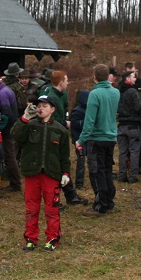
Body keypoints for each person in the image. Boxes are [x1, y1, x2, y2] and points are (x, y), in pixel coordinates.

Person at [11, 95, 71, 251]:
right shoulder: (29, 125)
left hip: (51, 174)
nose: (41, 108)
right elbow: (15, 135)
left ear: (52, 109)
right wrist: (24, 117)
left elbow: (65, 155)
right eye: (39, 105)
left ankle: (52, 238)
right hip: (32, 173)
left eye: (45, 106)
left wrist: (65, 173)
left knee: (52, 209)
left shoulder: (60, 130)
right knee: (31, 208)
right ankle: (30, 238)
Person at [76, 64, 119, 216]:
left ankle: (101, 204)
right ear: (108, 76)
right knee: (107, 169)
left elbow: (89, 121)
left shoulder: (94, 94)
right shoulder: (116, 92)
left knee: (97, 171)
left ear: (94, 77)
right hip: (111, 137)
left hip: (97, 138)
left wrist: (81, 140)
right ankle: (109, 200)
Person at [39, 70, 86, 206]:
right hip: (51, 134)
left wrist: (66, 121)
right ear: (61, 82)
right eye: (66, 80)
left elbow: (64, 109)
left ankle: (71, 195)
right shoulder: (49, 96)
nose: (67, 82)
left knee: (62, 164)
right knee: (54, 167)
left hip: (61, 133)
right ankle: (57, 198)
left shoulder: (63, 94)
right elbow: (48, 117)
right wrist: (64, 124)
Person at [116, 70, 141, 183]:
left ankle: (122, 175)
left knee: (122, 152)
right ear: (127, 79)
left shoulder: (118, 92)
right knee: (134, 151)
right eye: (133, 77)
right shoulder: (133, 91)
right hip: (133, 125)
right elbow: (137, 108)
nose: (135, 79)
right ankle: (133, 176)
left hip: (121, 125)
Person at [69, 90, 90, 189]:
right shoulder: (77, 110)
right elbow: (74, 124)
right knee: (81, 161)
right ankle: (79, 183)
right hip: (79, 140)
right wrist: (86, 123)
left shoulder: (89, 109)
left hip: (88, 139)